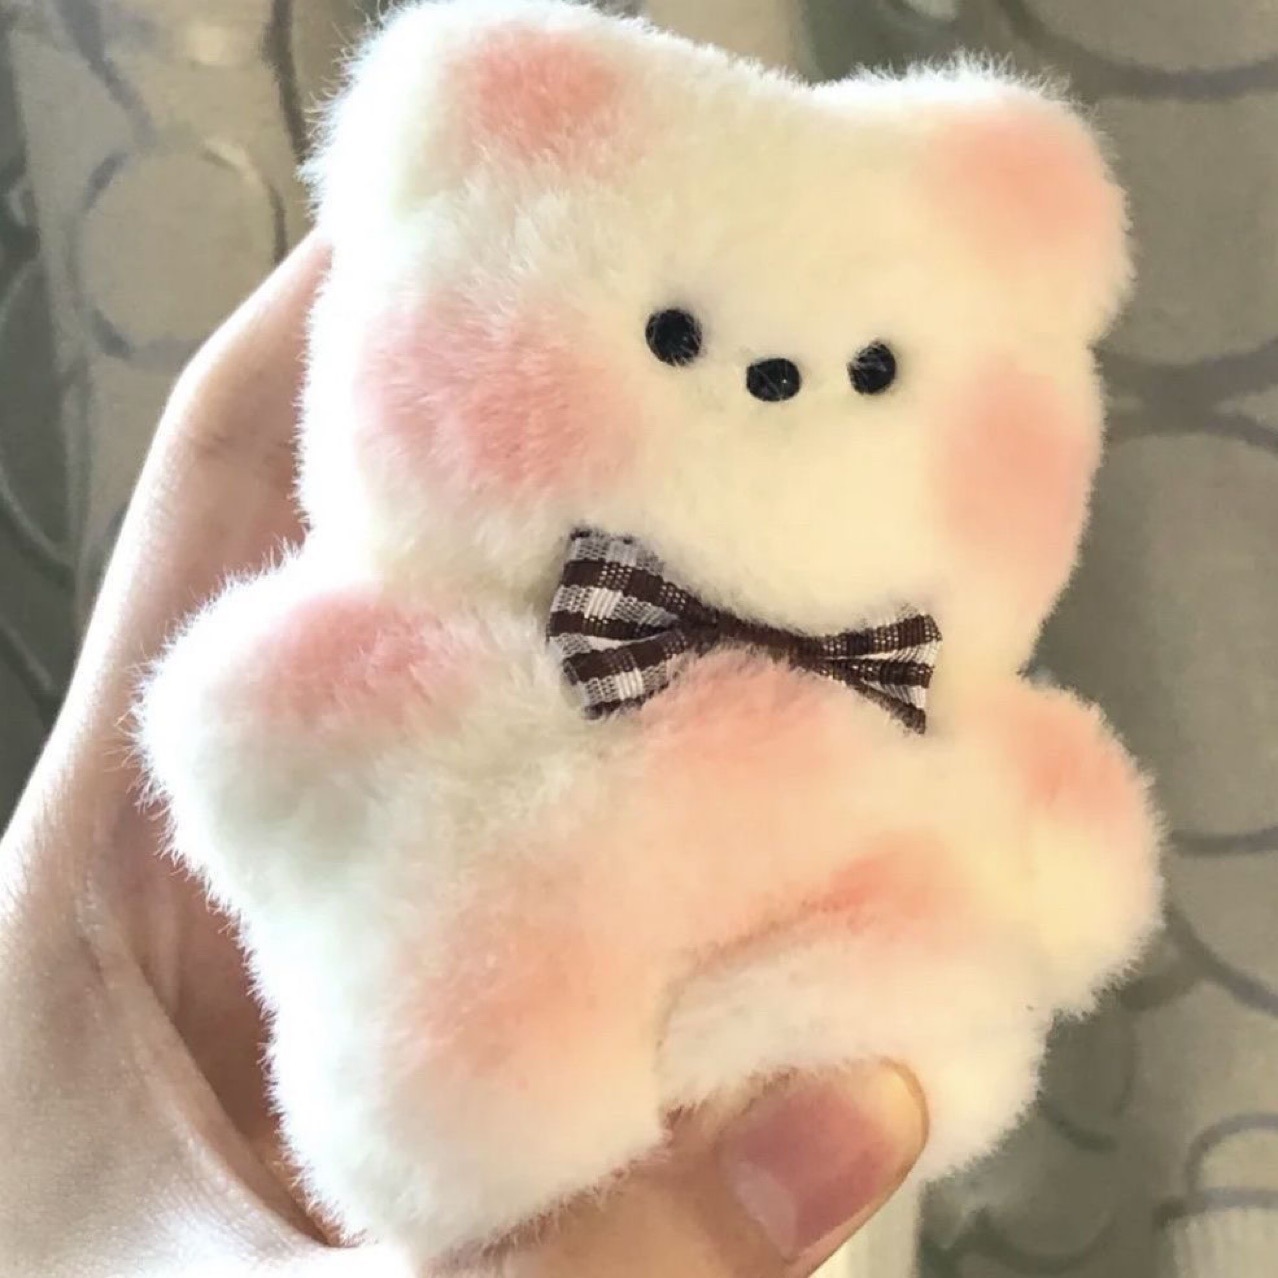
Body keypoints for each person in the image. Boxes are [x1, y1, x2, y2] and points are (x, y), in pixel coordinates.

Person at [0, 234, 926, 1278]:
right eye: (672, 340)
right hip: (485, 991)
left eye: (871, 371)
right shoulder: (447, 621)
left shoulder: (867, 666)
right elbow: (234, 719)